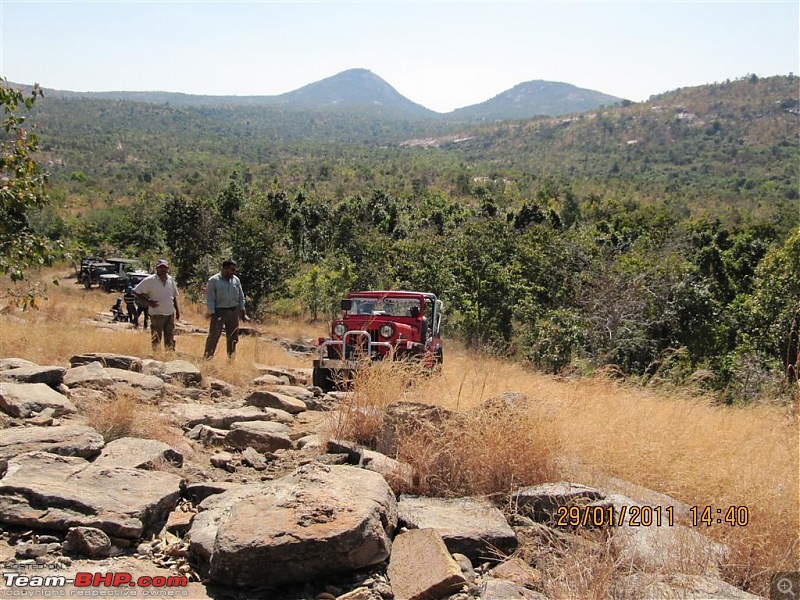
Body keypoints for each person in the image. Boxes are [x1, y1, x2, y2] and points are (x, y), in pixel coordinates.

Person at [204, 259, 248, 359]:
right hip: (219, 311)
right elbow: (210, 298)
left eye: (234, 270)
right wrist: (213, 313)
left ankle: (231, 359)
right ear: (225, 269)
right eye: (232, 269)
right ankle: (207, 358)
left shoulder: (236, 280)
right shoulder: (214, 280)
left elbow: (241, 295)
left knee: (233, 337)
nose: (233, 272)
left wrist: (242, 310)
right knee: (214, 336)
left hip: (233, 311)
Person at [134, 259, 180, 351]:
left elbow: (174, 296)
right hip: (156, 314)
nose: (163, 270)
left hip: (170, 313)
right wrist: (148, 302)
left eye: (165, 268)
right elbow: (136, 291)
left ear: (168, 268)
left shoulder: (170, 279)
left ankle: (169, 355)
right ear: (157, 268)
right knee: (156, 337)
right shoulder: (150, 280)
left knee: (170, 336)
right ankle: (157, 356)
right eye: (161, 268)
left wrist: (177, 311)